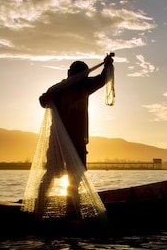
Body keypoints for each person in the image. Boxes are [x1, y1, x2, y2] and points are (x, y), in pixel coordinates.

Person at [35, 54, 114, 217]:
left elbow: (103, 78)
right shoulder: (59, 90)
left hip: (78, 142)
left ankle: (72, 208)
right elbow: (43, 100)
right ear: (70, 74)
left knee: (76, 176)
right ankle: (39, 207)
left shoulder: (85, 86)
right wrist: (44, 99)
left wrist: (107, 65)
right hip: (59, 141)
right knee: (52, 173)